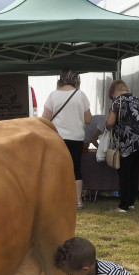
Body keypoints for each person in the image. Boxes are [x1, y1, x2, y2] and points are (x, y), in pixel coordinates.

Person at [42, 68, 92, 210]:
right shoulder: (81, 95)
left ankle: (57, 200)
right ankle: (78, 202)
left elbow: (44, 118)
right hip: (76, 138)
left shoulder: (53, 95)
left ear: (60, 79)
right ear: (77, 80)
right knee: (76, 168)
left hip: (58, 138)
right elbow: (88, 119)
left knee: (57, 169)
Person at [106, 79, 139, 213]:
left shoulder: (118, 101)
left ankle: (123, 205)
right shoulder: (138, 100)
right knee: (134, 173)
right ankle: (131, 202)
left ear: (115, 91)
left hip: (126, 143)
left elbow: (110, 122)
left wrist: (107, 126)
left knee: (124, 173)